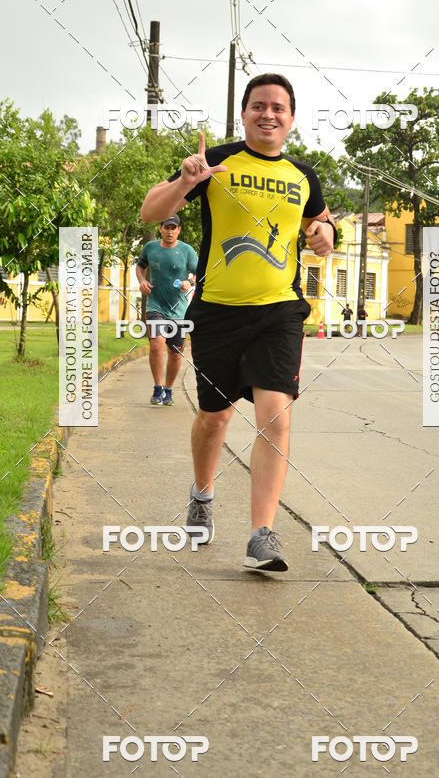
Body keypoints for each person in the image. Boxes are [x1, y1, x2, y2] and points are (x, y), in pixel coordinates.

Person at [141, 73, 335, 572]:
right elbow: (150, 211)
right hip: (218, 311)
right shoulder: (215, 162)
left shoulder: (303, 175)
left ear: (291, 118)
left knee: (276, 415)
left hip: (280, 312)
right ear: (244, 113)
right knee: (216, 416)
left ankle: (261, 534)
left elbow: (322, 221)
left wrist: (325, 233)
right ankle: (202, 494)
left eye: (278, 107)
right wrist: (187, 180)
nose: (268, 114)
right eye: (258, 106)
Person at [136, 215, 197, 406]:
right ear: (160, 228)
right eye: (166, 227)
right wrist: (142, 281)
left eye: (174, 228)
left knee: (176, 353)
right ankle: (157, 387)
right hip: (155, 305)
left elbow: (198, 272)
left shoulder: (187, 251)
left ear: (179, 230)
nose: (170, 231)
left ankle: (169, 390)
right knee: (156, 344)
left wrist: (190, 281)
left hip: (178, 310)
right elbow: (140, 266)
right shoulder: (150, 248)